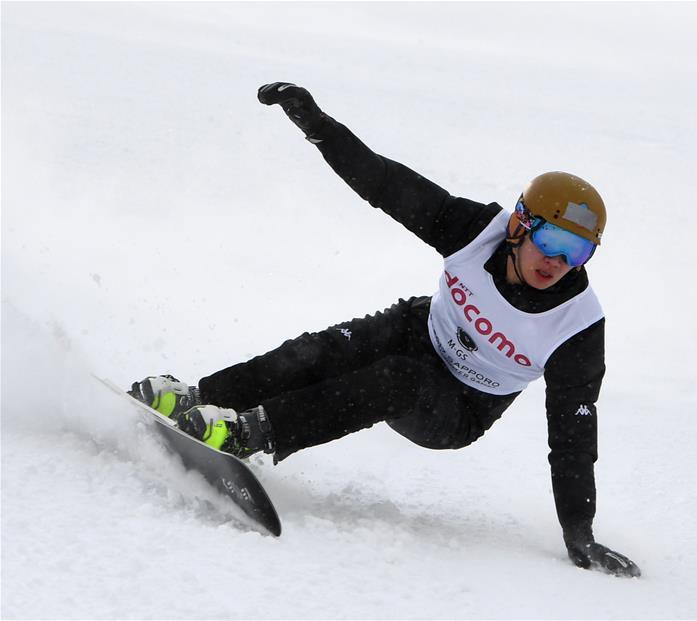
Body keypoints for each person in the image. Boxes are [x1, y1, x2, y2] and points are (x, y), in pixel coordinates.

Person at [129, 82, 641, 577]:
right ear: (519, 226)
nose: (558, 262)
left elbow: (573, 437)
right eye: (551, 241)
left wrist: (580, 533)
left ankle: (248, 433)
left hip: (460, 407)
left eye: (578, 251)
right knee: (321, 351)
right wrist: (320, 127)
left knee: (397, 379)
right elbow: (385, 184)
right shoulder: (474, 230)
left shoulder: (577, 326)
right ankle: (203, 398)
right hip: (419, 330)